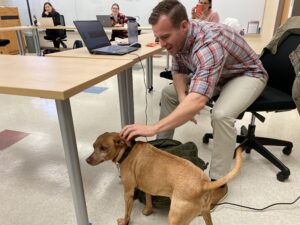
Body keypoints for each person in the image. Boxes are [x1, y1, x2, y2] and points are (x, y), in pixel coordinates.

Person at [120, 0, 268, 207]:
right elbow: (179, 70)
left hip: (246, 74)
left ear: (183, 26)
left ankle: (218, 184)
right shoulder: (179, 39)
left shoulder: (209, 44)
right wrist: (182, 97)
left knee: (221, 114)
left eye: (165, 37)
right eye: (158, 38)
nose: (161, 44)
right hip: (218, 74)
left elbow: (198, 100)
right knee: (169, 93)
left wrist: (152, 127)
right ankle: (160, 149)